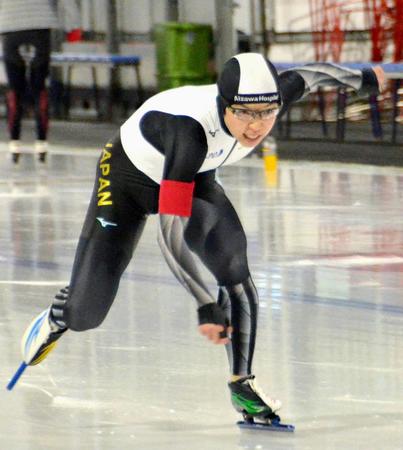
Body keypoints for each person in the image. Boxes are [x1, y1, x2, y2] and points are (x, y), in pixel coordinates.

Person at [16, 53, 385, 423]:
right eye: (244, 114)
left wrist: (362, 78)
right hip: (128, 180)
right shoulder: (189, 132)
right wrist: (205, 303)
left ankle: (242, 384)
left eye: (267, 113)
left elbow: (311, 74)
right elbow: (170, 236)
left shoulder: (271, 97)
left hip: (196, 176)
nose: (256, 126)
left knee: (234, 265)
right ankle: (56, 317)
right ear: (224, 106)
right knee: (86, 313)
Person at [0, 0, 81, 163]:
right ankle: (41, 143)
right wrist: (74, 27)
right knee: (39, 87)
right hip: (40, 25)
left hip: (10, 25)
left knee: (15, 90)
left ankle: (14, 143)